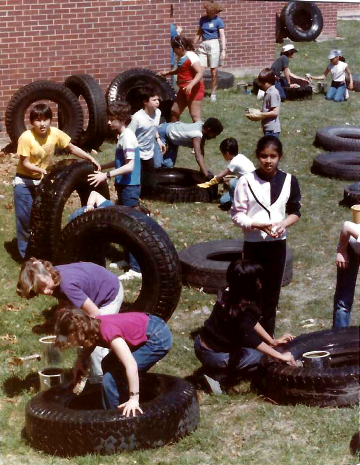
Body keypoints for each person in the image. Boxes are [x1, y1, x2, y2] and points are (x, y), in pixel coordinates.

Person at [231, 136, 301, 337]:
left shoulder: (289, 181)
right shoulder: (245, 181)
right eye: (263, 156)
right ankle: (247, 337)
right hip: (254, 245)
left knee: (271, 295)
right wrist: (256, 224)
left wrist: (282, 224)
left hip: (277, 246)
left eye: (273, 156)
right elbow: (237, 214)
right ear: (257, 156)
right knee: (251, 293)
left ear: (280, 157)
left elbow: (295, 211)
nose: (268, 161)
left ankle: (268, 340)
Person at [194, 259, 296, 393]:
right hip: (216, 355)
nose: (260, 283)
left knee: (261, 351)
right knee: (265, 358)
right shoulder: (242, 311)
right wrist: (280, 356)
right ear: (247, 285)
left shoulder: (229, 293)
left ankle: (213, 368)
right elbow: (252, 340)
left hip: (201, 345)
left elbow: (251, 323)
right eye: (257, 280)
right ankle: (217, 378)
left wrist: (271, 341)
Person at [13, 103, 101, 259]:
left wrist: (89, 157)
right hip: (25, 182)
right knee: (25, 221)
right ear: (32, 122)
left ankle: (41, 252)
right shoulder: (26, 137)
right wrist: (39, 170)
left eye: (45, 119)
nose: (42, 123)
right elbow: (25, 163)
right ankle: (25, 257)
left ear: (50, 120)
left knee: (42, 219)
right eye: (38, 120)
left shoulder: (54, 133)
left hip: (42, 181)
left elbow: (72, 148)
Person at [55, 307, 172, 415]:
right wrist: (80, 360)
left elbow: (131, 365)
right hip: (147, 328)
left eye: (68, 337)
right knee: (107, 363)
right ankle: (121, 397)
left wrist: (133, 399)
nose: (68, 341)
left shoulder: (107, 331)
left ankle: (114, 417)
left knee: (109, 379)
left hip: (157, 338)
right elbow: (91, 342)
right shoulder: (91, 327)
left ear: (77, 332)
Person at [16, 258, 124, 376]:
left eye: (44, 286)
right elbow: (65, 302)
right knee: (83, 337)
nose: (45, 291)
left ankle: (99, 381)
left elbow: (95, 315)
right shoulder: (52, 278)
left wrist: (83, 353)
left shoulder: (67, 285)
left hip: (109, 293)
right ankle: (88, 372)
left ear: (47, 272)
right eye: (40, 290)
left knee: (96, 339)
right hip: (94, 292)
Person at [88, 102, 142, 281]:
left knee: (131, 226)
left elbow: (130, 165)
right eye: (109, 119)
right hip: (123, 184)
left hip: (130, 186)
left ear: (123, 120)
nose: (109, 123)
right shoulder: (122, 136)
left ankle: (136, 268)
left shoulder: (128, 137)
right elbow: (120, 161)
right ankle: (128, 260)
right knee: (124, 224)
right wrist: (103, 167)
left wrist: (107, 175)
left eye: (113, 119)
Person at [153, 117, 224, 178]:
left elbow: (201, 151)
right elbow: (198, 155)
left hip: (173, 140)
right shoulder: (197, 134)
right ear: (209, 129)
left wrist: (202, 171)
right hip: (162, 133)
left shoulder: (202, 130)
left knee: (168, 166)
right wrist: (206, 174)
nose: (214, 137)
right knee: (157, 165)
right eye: (214, 134)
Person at [198, 137, 255, 209]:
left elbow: (221, 175)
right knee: (223, 201)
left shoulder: (234, 162)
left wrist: (208, 183)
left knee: (232, 182)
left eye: (223, 154)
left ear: (227, 153)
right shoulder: (241, 157)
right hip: (250, 183)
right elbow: (238, 175)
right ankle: (240, 199)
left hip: (251, 187)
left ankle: (237, 206)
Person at [158, 35, 205, 123]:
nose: (173, 51)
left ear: (179, 48)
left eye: (173, 49)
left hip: (194, 90)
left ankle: (201, 135)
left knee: (195, 117)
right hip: (183, 89)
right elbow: (181, 69)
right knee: (174, 111)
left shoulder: (191, 56)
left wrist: (191, 85)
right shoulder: (181, 57)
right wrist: (167, 73)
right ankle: (174, 133)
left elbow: (200, 73)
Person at [128, 86, 166, 191]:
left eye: (158, 99)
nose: (157, 102)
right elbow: (128, 135)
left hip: (149, 150)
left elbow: (154, 128)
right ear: (145, 102)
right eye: (154, 100)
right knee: (137, 177)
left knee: (150, 178)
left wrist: (158, 140)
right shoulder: (137, 118)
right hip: (137, 152)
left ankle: (150, 194)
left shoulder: (158, 113)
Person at [194, 1, 226, 103]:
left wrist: (224, 50)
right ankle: (200, 92)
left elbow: (222, 36)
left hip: (214, 44)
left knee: (213, 71)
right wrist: (192, 45)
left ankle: (213, 93)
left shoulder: (218, 21)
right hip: (203, 44)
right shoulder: (203, 19)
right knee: (200, 71)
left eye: (210, 11)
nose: (207, 12)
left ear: (214, 11)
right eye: (206, 10)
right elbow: (199, 33)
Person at [333, 220, 359, 328]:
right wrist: (341, 251)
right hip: (352, 246)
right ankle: (339, 338)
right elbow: (346, 226)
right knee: (344, 300)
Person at [246, 68, 281, 138]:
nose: (260, 85)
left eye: (262, 83)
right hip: (267, 128)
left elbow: (275, 112)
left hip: (272, 130)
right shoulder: (268, 91)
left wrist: (260, 114)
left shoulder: (273, 93)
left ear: (268, 82)